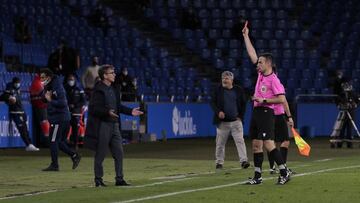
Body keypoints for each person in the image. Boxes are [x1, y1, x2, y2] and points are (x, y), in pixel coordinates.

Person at [242, 22, 290, 185]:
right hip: (256, 112)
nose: (258, 64)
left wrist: (264, 100)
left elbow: (282, 99)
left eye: (261, 63)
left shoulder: (273, 79)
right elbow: (252, 54)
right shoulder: (261, 74)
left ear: (268, 64)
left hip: (266, 112)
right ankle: (258, 176)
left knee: (269, 143)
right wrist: (246, 36)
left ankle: (284, 172)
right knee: (256, 145)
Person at [84, 64, 143, 187]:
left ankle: (119, 179)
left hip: (115, 125)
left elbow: (118, 106)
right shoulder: (98, 90)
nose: (114, 74)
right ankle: (98, 179)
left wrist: (130, 112)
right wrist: (107, 112)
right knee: (101, 153)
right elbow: (94, 109)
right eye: (112, 73)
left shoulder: (115, 88)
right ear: (104, 76)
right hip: (103, 125)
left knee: (119, 153)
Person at [40, 68, 81, 171]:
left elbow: (62, 103)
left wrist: (50, 100)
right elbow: (43, 97)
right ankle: (74, 155)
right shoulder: (50, 85)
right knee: (59, 141)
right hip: (61, 117)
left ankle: (55, 165)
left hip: (58, 118)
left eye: (43, 77)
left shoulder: (57, 87)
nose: (41, 79)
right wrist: (45, 98)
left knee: (53, 140)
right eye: (40, 77)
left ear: (49, 77)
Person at [210, 71, 250, 170]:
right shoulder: (217, 90)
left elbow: (243, 103)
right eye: (223, 78)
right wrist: (218, 112)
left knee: (240, 141)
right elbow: (212, 102)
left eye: (227, 78)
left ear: (232, 80)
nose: (224, 80)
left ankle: (244, 161)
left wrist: (241, 116)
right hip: (223, 123)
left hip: (236, 121)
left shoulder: (238, 90)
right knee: (220, 144)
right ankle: (219, 162)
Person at [1, 77, 39, 151]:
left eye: (19, 82)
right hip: (16, 112)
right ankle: (28, 144)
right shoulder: (10, 89)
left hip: (21, 111)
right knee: (22, 129)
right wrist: (9, 97)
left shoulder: (17, 89)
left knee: (25, 129)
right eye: (17, 82)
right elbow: (3, 96)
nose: (18, 84)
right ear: (14, 83)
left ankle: (30, 144)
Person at [267, 96, 294, 174]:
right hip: (278, 116)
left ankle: (272, 167)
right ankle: (283, 167)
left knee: (271, 142)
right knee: (285, 141)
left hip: (268, 116)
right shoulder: (278, 86)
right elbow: (284, 101)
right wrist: (289, 117)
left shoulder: (265, 86)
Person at [332, 71, 359, 148]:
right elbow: (338, 100)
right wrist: (340, 104)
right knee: (341, 127)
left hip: (351, 111)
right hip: (343, 111)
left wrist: (354, 104)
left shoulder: (353, 93)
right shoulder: (341, 94)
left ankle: (349, 143)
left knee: (350, 127)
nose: (346, 87)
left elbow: (357, 100)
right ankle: (340, 143)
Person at [64, 74, 86, 148]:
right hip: (66, 111)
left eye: (72, 79)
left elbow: (83, 101)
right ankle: (66, 142)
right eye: (69, 79)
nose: (71, 81)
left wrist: (75, 105)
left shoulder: (79, 89)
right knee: (66, 127)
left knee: (75, 128)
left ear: (75, 80)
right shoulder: (64, 89)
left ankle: (75, 143)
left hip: (76, 111)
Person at [29, 73, 50, 147]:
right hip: (41, 106)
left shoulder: (36, 82)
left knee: (42, 124)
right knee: (44, 123)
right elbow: (44, 96)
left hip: (39, 106)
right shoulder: (38, 83)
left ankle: (44, 141)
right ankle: (46, 142)